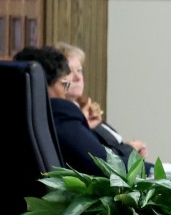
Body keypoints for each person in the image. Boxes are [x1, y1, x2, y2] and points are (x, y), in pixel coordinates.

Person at [13, 46, 107, 175]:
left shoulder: (12, 113)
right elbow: (104, 165)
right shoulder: (60, 111)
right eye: (64, 84)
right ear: (41, 84)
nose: (64, 92)